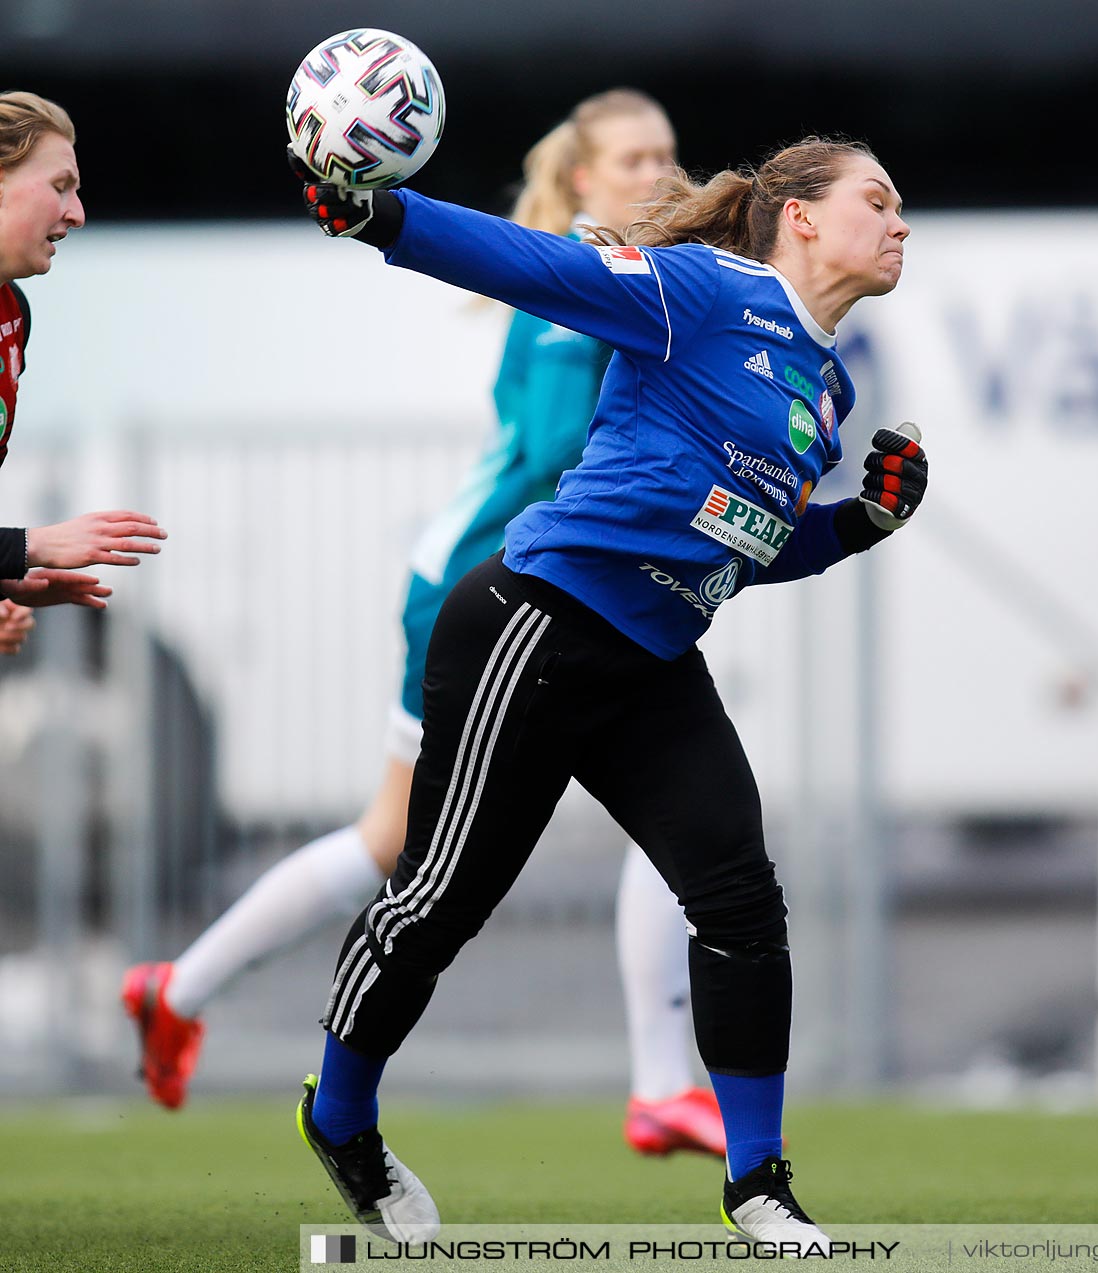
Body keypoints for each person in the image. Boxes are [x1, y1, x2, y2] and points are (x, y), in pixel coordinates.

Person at [287, 134, 922, 1247]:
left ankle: (758, 1183)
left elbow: (752, 542)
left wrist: (857, 522)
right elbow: (537, 269)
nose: (900, 221)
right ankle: (340, 1120)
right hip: (537, 623)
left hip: (654, 664)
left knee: (739, 902)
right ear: (804, 218)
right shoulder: (704, 291)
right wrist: (385, 217)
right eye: (878, 199)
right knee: (437, 905)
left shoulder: (827, 386)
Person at [121, 91, 727, 1155]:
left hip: (517, 580)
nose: (658, 176)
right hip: (492, 584)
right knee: (660, 812)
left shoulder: (626, 280)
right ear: (583, 180)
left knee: (400, 837)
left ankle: (178, 987)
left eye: (669, 156)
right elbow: (548, 458)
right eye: (634, 159)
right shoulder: (574, 286)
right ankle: (658, 1084)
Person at [0, 91, 167, 638]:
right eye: (59, 187)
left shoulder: (13, 312)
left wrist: (6, 578)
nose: (78, 213)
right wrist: (30, 545)